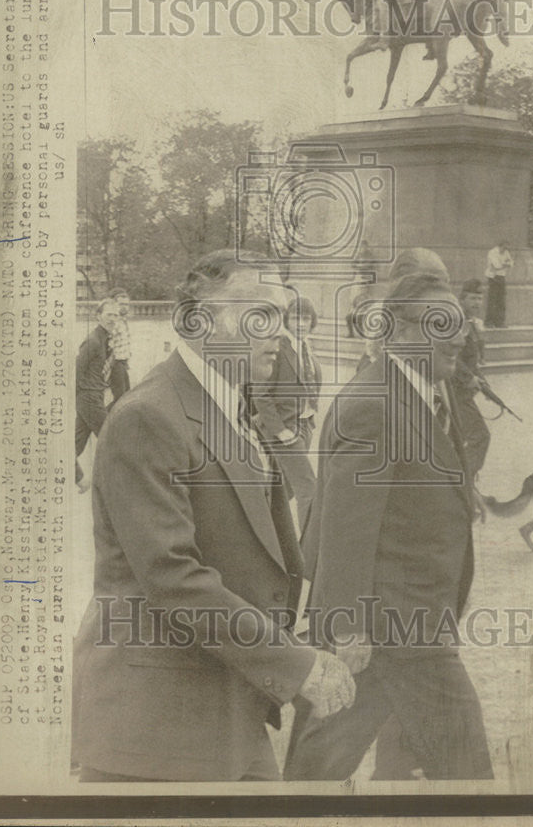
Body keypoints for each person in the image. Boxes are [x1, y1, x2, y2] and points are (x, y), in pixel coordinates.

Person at [71, 251, 355, 782]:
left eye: (283, 316)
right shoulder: (147, 416)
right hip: (155, 725)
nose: (280, 332)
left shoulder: (230, 402)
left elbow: (258, 556)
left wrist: (310, 637)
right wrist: (296, 666)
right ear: (199, 321)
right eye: (261, 315)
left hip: (222, 704)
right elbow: (174, 577)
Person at [285, 273, 493, 781]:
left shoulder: (427, 391)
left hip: (402, 626)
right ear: (396, 329)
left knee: (320, 760)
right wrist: (349, 627)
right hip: (395, 627)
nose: (459, 335)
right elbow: (344, 528)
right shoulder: (373, 405)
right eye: (441, 324)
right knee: (467, 766)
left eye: (460, 323)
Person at [252, 296, 322, 529]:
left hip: (304, 426)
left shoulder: (306, 347)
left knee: (285, 489)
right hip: (284, 429)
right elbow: (260, 393)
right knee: (308, 488)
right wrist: (280, 431)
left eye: (305, 319)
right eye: (295, 318)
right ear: (287, 320)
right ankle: (308, 551)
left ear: (312, 322)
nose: (301, 324)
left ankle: (261, 532)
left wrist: (310, 417)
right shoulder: (279, 346)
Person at [75, 298, 119, 489]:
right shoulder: (92, 341)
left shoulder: (105, 340)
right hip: (89, 398)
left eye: (116, 315)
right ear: (99, 316)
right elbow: (77, 371)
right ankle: (110, 485)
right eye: (109, 314)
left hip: (94, 397)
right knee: (112, 437)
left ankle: (75, 476)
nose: (113, 318)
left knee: (76, 442)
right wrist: (85, 398)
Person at [452, 280, 491, 487]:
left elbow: (470, 358)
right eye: (473, 298)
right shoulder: (457, 321)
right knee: (480, 437)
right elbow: (451, 356)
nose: (478, 302)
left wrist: (482, 381)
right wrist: (469, 378)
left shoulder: (471, 322)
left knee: (457, 440)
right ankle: (463, 484)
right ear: (462, 298)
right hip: (453, 392)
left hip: (462, 392)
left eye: (480, 298)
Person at [108, 287, 132, 404]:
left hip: (123, 363)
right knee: (120, 398)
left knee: (127, 394)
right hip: (115, 363)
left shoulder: (123, 320)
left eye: (127, 304)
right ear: (114, 304)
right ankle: (107, 420)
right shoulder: (114, 321)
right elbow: (108, 345)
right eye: (121, 304)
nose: (124, 307)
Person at [484, 240, 513, 328]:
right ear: (501, 245)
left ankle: (500, 322)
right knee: (492, 300)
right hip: (493, 277)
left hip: (501, 277)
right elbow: (497, 265)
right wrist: (506, 264)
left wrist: (506, 264)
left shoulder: (506, 252)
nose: (506, 249)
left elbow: (511, 263)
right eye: (505, 247)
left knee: (501, 301)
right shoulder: (492, 252)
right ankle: (489, 322)